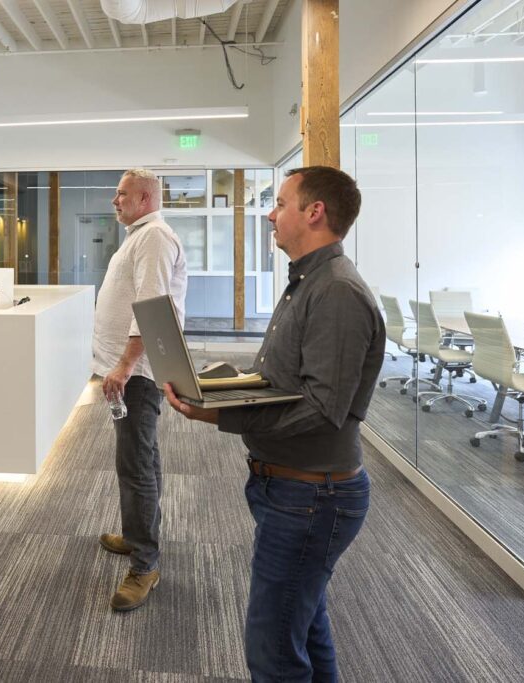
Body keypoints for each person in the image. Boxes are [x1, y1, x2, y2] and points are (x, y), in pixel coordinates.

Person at [164, 166, 385, 681]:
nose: (270, 212)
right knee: (302, 626)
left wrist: (224, 416)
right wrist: (223, 393)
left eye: (280, 202)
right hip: (291, 489)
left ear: (314, 212)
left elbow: (322, 408)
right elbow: (285, 381)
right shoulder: (307, 283)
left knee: (273, 652)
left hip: (312, 497)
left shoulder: (335, 292)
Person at [93, 168, 187, 611]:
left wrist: (125, 365)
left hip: (138, 375)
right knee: (141, 461)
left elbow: (152, 307)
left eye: (122, 193)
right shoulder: (140, 235)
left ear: (146, 198)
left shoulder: (153, 237)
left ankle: (145, 564)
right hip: (133, 372)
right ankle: (137, 537)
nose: (115, 200)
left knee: (135, 466)